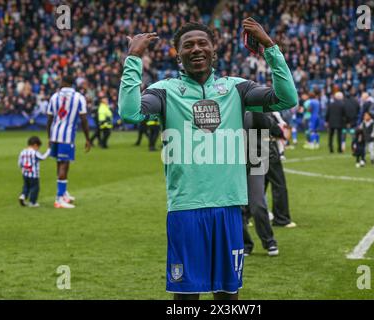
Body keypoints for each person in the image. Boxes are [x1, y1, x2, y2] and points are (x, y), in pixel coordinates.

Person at [118, 19, 298, 300]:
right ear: (177, 54)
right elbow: (130, 112)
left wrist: (270, 47)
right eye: (187, 45)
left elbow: (287, 99)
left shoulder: (236, 89)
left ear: (215, 51)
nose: (196, 49)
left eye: (203, 43)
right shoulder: (165, 90)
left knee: (227, 296)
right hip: (186, 210)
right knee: (187, 297)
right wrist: (133, 60)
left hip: (228, 209)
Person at [46, 75, 91, 208]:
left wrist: (49, 137)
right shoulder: (78, 97)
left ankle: (63, 192)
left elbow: (49, 119)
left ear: (65, 82)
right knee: (64, 164)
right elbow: (83, 119)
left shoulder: (54, 96)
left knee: (60, 163)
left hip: (55, 135)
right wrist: (88, 138)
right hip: (67, 137)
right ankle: (59, 199)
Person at [242, 112, 279, 257]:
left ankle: (269, 241)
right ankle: (245, 244)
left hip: (255, 161)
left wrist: (257, 110)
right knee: (236, 208)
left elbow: (269, 125)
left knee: (258, 204)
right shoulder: (228, 107)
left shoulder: (254, 108)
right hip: (232, 163)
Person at [265, 113, 296, 228]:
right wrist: (281, 133)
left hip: (252, 146)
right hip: (267, 148)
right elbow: (274, 128)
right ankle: (281, 218)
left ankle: (245, 216)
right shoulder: (266, 111)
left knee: (256, 185)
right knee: (279, 184)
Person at [18, 136, 50, 207]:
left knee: (26, 186)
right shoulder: (34, 153)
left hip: (25, 173)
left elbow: (20, 162)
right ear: (35, 145)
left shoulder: (23, 152)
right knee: (35, 188)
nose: (38, 149)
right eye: (38, 147)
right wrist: (49, 150)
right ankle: (32, 202)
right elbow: (43, 157)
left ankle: (23, 195)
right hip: (34, 174)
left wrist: (22, 169)